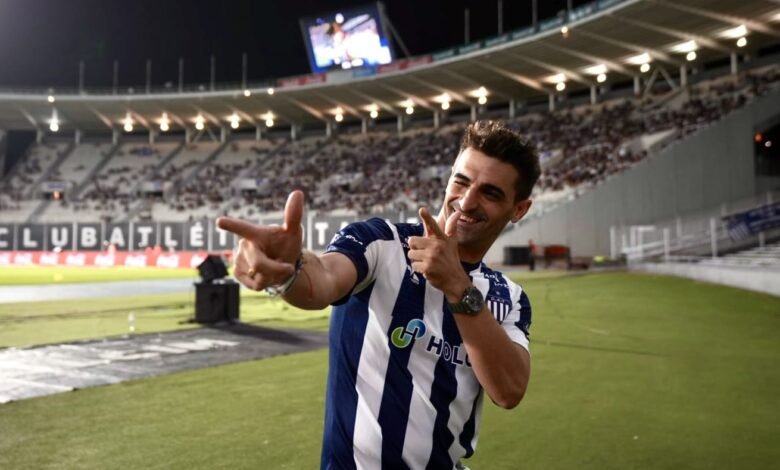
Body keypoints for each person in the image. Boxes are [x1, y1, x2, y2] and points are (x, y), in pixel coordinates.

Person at [217, 120, 541, 469]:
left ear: (519, 209)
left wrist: (456, 285)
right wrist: (289, 268)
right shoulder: (381, 242)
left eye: (490, 193)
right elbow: (323, 280)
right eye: (460, 181)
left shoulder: (509, 298)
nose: (467, 200)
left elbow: (508, 390)